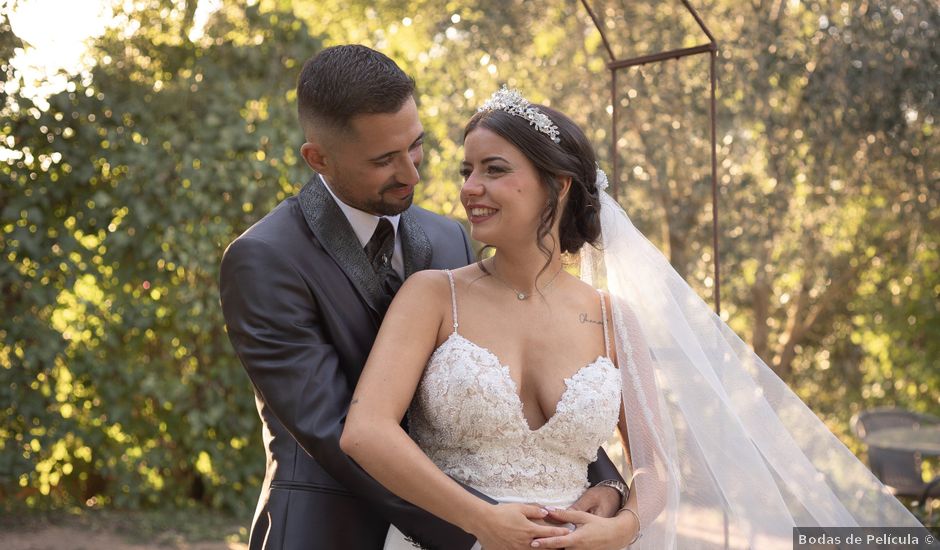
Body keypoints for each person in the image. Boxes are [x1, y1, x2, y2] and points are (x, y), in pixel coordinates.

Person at [342, 86, 925, 550]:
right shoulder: (433, 295)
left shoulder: (610, 317)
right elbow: (365, 432)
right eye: (467, 171)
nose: (470, 189)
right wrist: (483, 521)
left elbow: (654, 466)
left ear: (558, 186)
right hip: (447, 541)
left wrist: (624, 526)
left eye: (493, 169)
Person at [219, 47, 624, 550]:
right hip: (329, 530)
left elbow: (532, 408)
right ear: (318, 158)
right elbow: (336, 430)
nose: (411, 174)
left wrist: (604, 482)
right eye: (384, 160)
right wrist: (476, 524)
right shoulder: (264, 257)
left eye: (415, 147)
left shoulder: (447, 236)